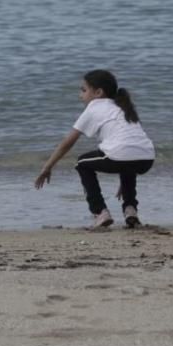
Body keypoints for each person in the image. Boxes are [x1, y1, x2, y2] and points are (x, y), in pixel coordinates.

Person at [34, 69, 154, 229]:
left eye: (83, 90)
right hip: (146, 158)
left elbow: (67, 143)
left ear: (98, 92)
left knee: (82, 163)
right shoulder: (122, 107)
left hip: (124, 156)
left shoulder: (94, 107)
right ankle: (130, 210)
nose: (80, 95)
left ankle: (100, 212)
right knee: (124, 160)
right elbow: (130, 146)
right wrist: (126, 176)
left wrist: (47, 167)